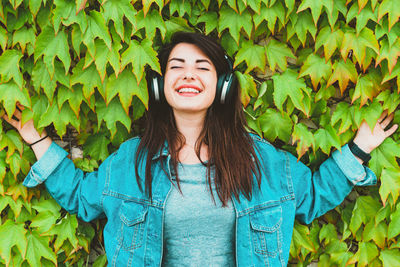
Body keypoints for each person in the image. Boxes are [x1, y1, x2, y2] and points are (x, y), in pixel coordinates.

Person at [2, 32, 398, 266]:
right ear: (160, 86)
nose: (188, 74)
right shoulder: (130, 161)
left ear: (222, 87)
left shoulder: (261, 162)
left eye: (202, 66)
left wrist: (359, 149)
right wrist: (38, 140)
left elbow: (310, 196)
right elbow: (82, 198)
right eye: (177, 66)